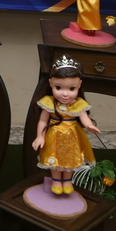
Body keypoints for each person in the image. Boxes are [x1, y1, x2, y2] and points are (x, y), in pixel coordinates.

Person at [32, 56, 100, 195]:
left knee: (70, 159)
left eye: (71, 88)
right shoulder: (49, 103)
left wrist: (89, 126)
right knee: (54, 158)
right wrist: (40, 136)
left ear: (79, 85)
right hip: (53, 136)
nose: (64, 94)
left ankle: (67, 181)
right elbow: (43, 121)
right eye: (58, 87)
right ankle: (57, 180)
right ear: (50, 83)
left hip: (72, 137)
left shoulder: (79, 104)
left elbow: (84, 118)